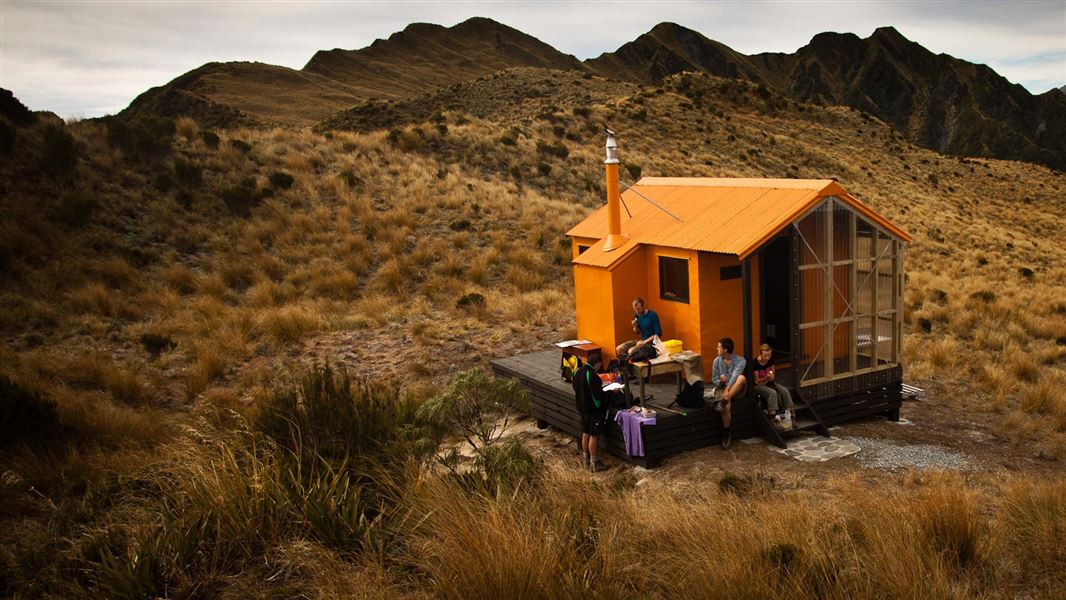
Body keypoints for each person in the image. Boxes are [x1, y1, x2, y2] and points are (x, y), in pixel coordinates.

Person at [573, 355, 610, 472]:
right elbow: (598, 395)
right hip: (594, 410)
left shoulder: (577, 371)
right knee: (594, 435)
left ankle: (586, 460)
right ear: (597, 364)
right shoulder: (592, 375)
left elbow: (575, 388)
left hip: (581, 408)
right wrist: (611, 392)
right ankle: (594, 463)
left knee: (586, 432)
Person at [711, 337, 746, 450]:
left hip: (736, 388)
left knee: (741, 378)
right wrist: (720, 381)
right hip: (722, 388)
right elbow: (714, 379)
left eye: (719, 347)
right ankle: (726, 433)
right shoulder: (717, 361)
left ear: (725, 349)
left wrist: (727, 390)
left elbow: (735, 376)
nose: (717, 348)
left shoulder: (741, 361)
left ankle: (723, 400)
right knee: (727, 405)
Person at [752, 342, 794, 419]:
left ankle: (790, 413)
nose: (767, 358)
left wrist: (770, 377)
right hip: (758, 386)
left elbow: (772, 376)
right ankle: (772, 415)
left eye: (769, 355)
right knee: (772, 393)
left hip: (769, 382)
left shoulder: (771, 361)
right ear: (760, 354)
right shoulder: (755, 363)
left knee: (784, 390)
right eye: (765, 356)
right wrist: (766, 378)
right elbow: (756, 381)